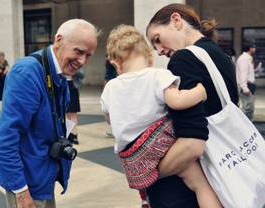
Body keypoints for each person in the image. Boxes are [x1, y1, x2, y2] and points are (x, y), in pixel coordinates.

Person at [102, 24, 221, 208]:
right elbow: (177, 101)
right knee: (200, 185)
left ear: (116, 64)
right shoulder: (158, 75)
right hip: (160, 147)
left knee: (149, 190)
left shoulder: (110, 87)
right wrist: (200, 91)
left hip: (132, 159)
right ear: (149, 57)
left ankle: (145, 199)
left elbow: (110, 119)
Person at [0, 19, 98, 208]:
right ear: (59, 40)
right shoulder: (28, 73)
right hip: (28, 186)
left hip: (43, 179)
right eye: (79, 51)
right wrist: (21, 192)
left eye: (88, 55)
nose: (82, 61)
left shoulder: (59, 74)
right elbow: (4, 141)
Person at [146, 3, 239, 208]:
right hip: (226, 170)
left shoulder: (184, 59)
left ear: (176, 20)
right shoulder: (220, 55)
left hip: (193, 185)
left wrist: (147, 174)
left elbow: (191, 144)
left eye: (157, 40)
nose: (159, 51)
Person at [236, 43, 257, 120]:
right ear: (250, 48)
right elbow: (243, 74)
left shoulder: (247, 58)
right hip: (246, 86)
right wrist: (245, 88)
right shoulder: (244, 59)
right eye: (254, 47)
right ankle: (243, 128)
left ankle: (246, 127)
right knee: (248, 108)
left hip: (249, 85)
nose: (255, 49)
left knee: (249, 108)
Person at [66, 68, 85, 144]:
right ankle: (70, 134)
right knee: (66, 113)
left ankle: (73, 135)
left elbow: (82, 75)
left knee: (73, 113)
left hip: (72, 85)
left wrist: (74, 71)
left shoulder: (74, 62)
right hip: (63, 85)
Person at [103, 55, 117, 138]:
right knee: (109, 106)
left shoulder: (111, 61)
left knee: (110, 106)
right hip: (110, 81)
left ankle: (113, 128)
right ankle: (112, 128)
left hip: (111, 81)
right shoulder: (112, 60)